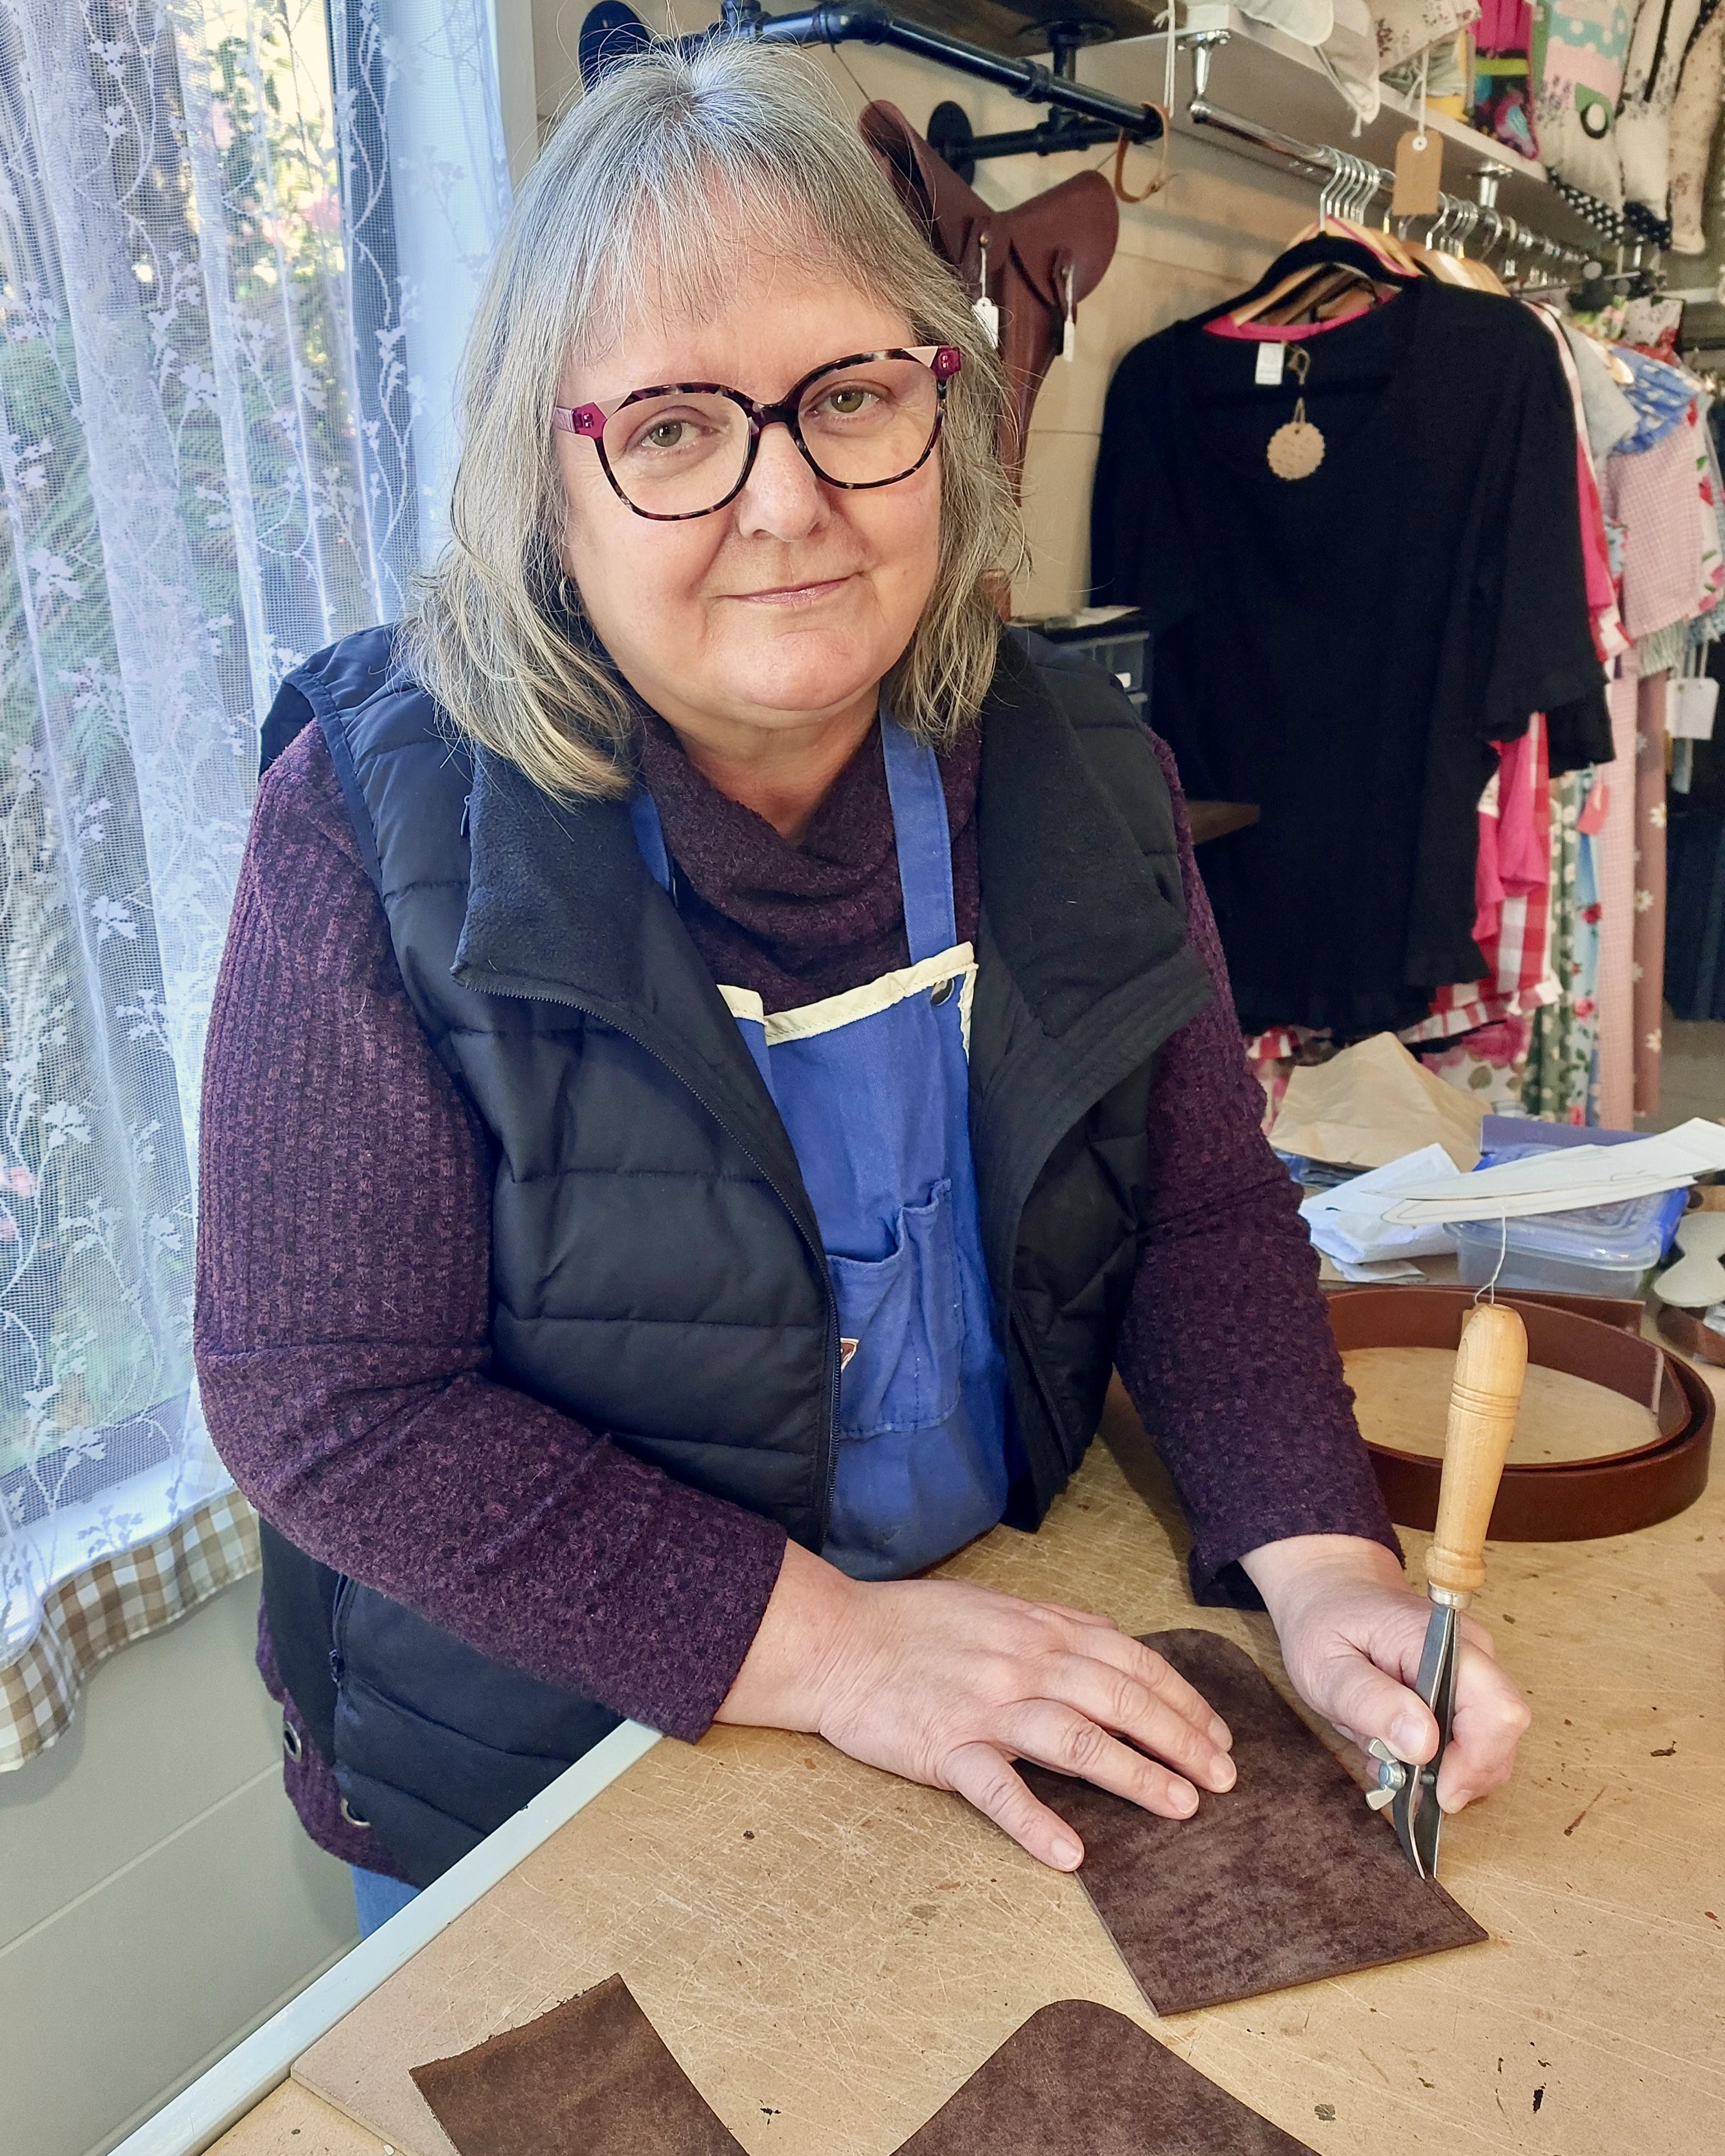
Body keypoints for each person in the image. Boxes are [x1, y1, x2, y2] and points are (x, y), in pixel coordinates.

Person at [195, 39, 1529, 1938]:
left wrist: (1325, 1570)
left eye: (850, 395)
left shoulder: (1085, 772)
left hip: (972, 1684)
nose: (786, 498)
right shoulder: (369, 831)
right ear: (545, 484)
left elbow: (1201, 1213)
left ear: (946, 405)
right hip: (533, 1781)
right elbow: (324, 1402)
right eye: (669, 427)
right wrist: (830, 1650)